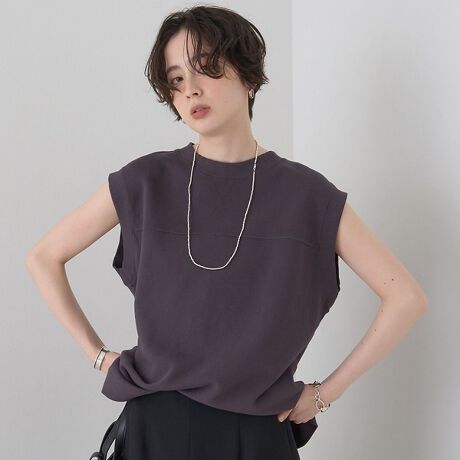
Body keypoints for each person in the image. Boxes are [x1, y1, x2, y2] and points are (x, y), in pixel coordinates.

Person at [25, 5, 429, 459]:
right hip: (153, 429)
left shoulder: (308, 197)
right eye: (176, 79)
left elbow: (405, 298)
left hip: (255, 438)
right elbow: (44, 257)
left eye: (206, 68)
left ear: (249, 74)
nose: (191, 89)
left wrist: (323, 394)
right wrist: (98, 355)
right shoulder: (145, 182)